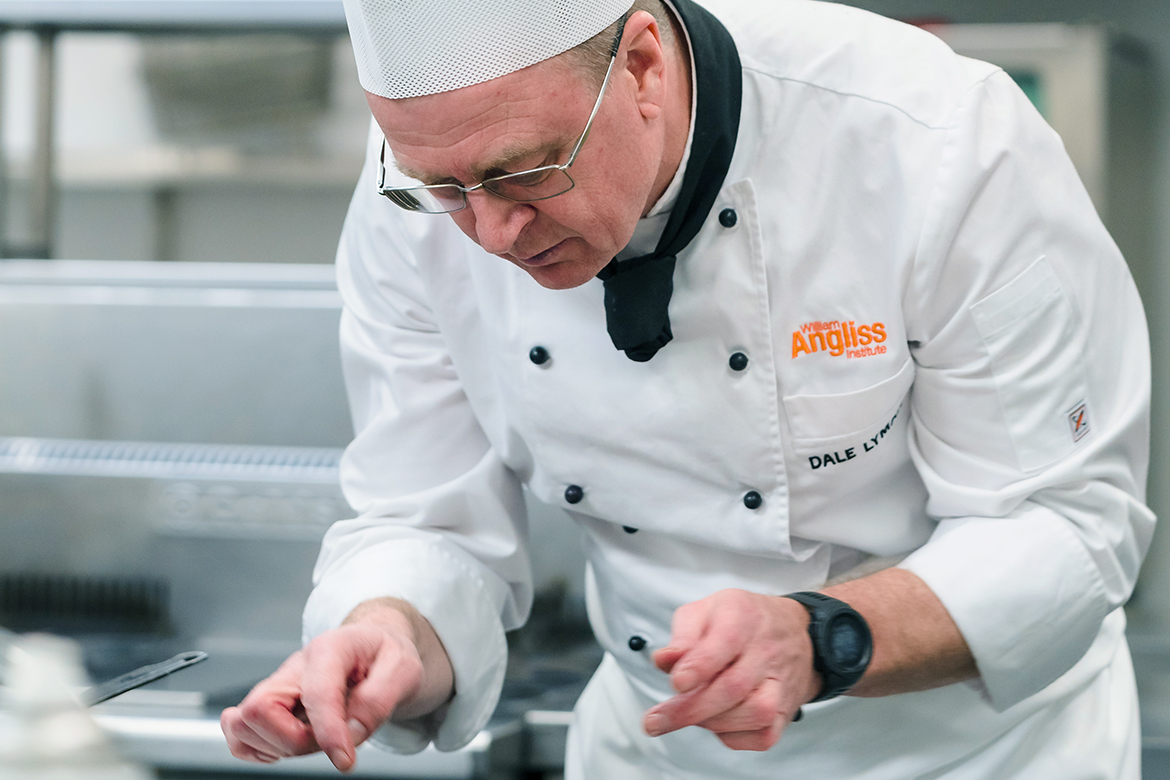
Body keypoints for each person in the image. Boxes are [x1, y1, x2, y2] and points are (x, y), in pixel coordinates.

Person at [221, 0, 1155, 776]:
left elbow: (1066, 527)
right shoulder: (421, 199)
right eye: (445, 187)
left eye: (527, 171)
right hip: (657, 754)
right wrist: (384, 631)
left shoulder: (937, 143)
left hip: (982, 755)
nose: (491, 232)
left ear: (642, 65)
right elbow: (424, 519)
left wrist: (820, 637)